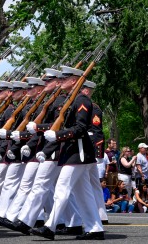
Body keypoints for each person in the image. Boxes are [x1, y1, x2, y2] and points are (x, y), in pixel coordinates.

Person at [31, 66, 104, 241]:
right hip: (72, 151)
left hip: (77, 152)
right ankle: (95, 228)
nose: (60, 82)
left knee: (62, 188)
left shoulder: (82, 101)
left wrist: (58, 135)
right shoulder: (72, 101)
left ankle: (50, 226)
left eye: (64, 79)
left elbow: (80, 128)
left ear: (73, 81)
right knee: (83, 192)